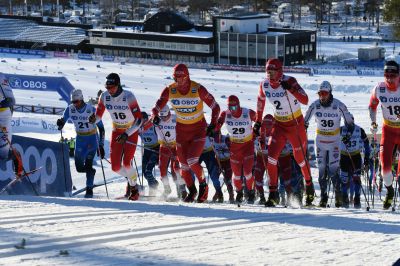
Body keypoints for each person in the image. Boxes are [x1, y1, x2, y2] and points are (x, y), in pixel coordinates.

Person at [151, 63, 220, 203]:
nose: (178, 81)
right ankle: (192, 190)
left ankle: (203, 185)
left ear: (187, 76)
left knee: (192, 160)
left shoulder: (198, 89)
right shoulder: (169, 90)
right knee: (183, 166)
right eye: (175, 77)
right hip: (181, 131)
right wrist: (154, 115)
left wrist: (213, 124)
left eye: (181, 77)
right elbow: (156, 106)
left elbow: (215, 107)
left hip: (198, 130)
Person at [255, 58, 315, 207]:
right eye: (268, 72)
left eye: (273, 72)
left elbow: (306, 100)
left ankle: (309, 185)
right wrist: (258, 121)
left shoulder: (290, 80)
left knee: (300, 158)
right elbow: (260, 101)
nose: (270, 75)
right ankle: (273, 194)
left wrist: (291, 89)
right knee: (271, 158)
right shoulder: (265, 85)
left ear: (280, 71)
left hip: (295, 124)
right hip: (280, 124)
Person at [90, 73, 143, 201]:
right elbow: (98, 116)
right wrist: (94, 119)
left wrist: (127, 134)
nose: (110, 90)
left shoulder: (128, 96)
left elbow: (139, 120)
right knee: (115, 167)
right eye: (107, 87)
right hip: (117, 130)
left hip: (131, 130)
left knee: (126, 162)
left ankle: (134, 188)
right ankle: (132, 181)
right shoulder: (104, 96)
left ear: (118, 85)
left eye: (112, 87)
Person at [304, 80, 354, 207]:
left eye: (325, 93)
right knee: (321, 171)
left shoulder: (338, 105)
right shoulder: (315, 105)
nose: (322, 96)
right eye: (320, 93)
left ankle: (338, 197)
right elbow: (304, 121)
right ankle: (323, 198)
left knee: (333, 170)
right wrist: (303, 127)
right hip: (320, 141)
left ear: (330, 93)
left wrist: (348, 133)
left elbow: (349, 122)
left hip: (334, 142)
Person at [57, 89, 105, 198]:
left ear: (82, 99)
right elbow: (62, 122)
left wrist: (101, 145)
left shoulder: (91, 109)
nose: (75, 104)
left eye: (77, 102)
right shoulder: (70, 109)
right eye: (73, 102)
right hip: (80, 139)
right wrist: (60, 123)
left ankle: (89, 188)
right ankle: (91, 172)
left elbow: (101, 129)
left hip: (92, 139)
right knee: (79, 167)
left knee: (88, 163)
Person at [368, 60, 400, 209]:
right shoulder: (379, 88)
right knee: (384, 169)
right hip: (388, 130)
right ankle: (389, 191)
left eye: (393, 75)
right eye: (387, 75)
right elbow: (372, 105)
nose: (389, 78)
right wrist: (373, 122)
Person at [215, 95, 257, 204]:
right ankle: (239, 192)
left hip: (248, 146)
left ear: (239, 105)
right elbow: (218, 124)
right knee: (237, 175)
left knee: (248, 173)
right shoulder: (225, 114)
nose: (232, 110)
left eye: (234, 108)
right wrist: (214, 129)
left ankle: (251, 192)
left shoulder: (248, 112)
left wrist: (258, 130)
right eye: (230, 107)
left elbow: (259, 121)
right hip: (235, 147)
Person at [154, 105, 187, 199]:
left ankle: (182, 189)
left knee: (175, 168)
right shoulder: (158, 120)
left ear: (169, 113)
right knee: (162, 168)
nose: (164, 118)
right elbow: (158, 132)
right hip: (164, 146)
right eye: (162, 116)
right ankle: (167, 188)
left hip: (175, 146)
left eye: (165, 116)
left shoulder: (175, 118)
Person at [339, 119, 370, 208]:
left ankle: (357, 199)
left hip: (356, 156)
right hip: (344, 156)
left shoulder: (359, 130)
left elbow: (366, 143)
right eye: (347, 122)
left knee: (356, 179)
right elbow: (333, 140)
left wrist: (367, 157)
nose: (349, 124)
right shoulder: (340, 129)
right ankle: (345, 198)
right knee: (344, 180)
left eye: (351, 122)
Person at [0, 77, 23, 177]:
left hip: (3, 115)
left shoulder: (1, 78)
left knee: (3, 154)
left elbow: (11, 100)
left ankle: (16, 156)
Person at [139, 111, 160, 196]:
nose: (142, 121)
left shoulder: (152, 126)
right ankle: (154, 183)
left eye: (144, 119)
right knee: (144, 173)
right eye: (140, 120)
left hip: (155, 149)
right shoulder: (139, 128)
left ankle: (152, 189)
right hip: (146, 149)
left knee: (148, 171)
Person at [213, 131, 234, 203]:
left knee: (227, 180)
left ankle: (231, 195)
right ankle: (218, 194)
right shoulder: (212, 140)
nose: (218, 141)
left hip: (228, 161)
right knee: (215, 178)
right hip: (218, 161)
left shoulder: (226, 139)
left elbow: (232, 149)